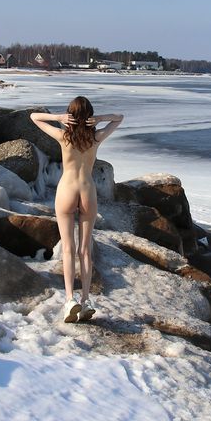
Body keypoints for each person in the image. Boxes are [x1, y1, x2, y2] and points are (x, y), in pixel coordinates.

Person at [30, 97, 124, 323]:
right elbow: (119, 118)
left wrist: (57, 118)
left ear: (70, 114)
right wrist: (100, 119)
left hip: (66, 190)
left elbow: (34, 117)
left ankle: (70, 299)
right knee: (85, 250)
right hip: (88, 191)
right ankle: (86, 300)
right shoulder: (96, 138)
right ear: (89, 115)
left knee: (68, 249)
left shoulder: (63, 137)